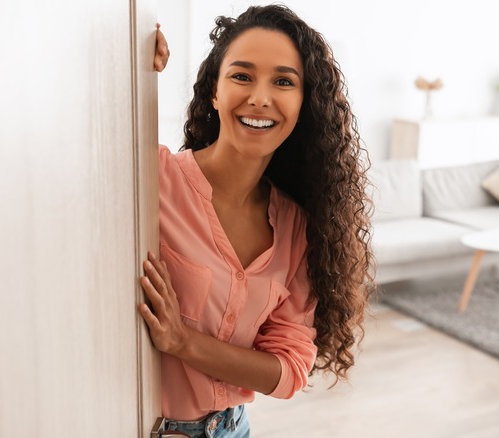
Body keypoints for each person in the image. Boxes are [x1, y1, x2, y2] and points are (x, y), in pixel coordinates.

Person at [139, 5, 374, 437]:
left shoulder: (296, 227)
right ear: (214, 90)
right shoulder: (151, 178)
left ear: (304, 104)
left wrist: (184, 342)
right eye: (242, 76)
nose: (260, 97)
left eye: (283, 82)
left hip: (233, 429)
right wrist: (128, 65)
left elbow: (288, 372)